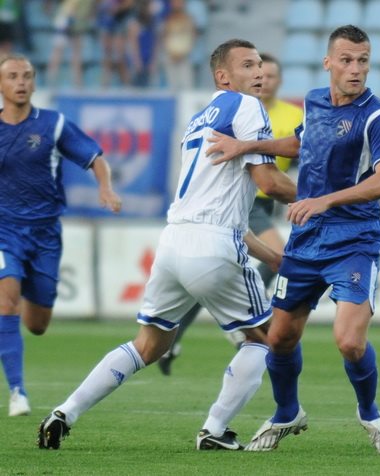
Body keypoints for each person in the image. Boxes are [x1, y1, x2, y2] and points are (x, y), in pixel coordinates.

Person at [37, 38, 297, 450]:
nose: (259, 72)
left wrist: (273, 258)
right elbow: (269, 183)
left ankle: (65, 412)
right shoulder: (247, 107)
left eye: (260, 65)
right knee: (268, 339)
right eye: (248, 65)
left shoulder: (198, 119)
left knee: (149, 345)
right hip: (213, 246)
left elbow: (219, 211)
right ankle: (214, 429)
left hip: (175, 241)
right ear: (223, 76)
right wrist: (322, 198)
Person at [205, 24, 380, 456]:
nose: (356, 69)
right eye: (346, 60)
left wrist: (323, 200)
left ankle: (370, 413)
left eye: (363, 61)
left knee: (349, 341)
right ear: (328, 62)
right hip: (307, 239)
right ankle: (286, 413)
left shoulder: (378, 116)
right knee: (279, 338)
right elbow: (299, 143)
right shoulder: (313, 102)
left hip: (355, 239)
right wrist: (244, 146)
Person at [156, 52, 303, 376]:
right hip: (246, 202)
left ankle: (191, 331)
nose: (263, 78)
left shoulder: (292, 114)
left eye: (269, 74)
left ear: (279, 81)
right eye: (256, 69)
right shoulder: (243, 108)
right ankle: (242, 313)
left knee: (209, 279)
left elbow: (298, 155)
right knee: (273, 255)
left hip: (263, 202)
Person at [0, 54, 121, 417]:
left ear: (35, 82)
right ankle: (17, 391)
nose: (21, 82)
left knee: (37, 324)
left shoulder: (53, 124)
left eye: (27, 76)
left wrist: (105, 188)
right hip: (5, 231)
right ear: (1, 84)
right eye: (12, 76)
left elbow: (95, 158)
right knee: (6, 302)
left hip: (46, 234)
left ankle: (18, 309)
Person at [46, 0, 96, 88]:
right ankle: (51, 81)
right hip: (66, 21)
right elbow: (71, 8)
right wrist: (71, 23)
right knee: (59, 51)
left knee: (76, 53)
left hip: (76, 22)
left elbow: (88, 12)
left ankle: (77, 83)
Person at [161, 0, 197, 90]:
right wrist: (170, 53)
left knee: (187, 86)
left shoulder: (189, 19)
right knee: (171, 86)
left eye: (179, 2)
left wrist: (184, 53)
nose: (176, 4)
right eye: (174, 2)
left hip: (185, 57)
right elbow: (164, 37)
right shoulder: (167, 19)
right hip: (170, 57)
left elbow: (192, 38)